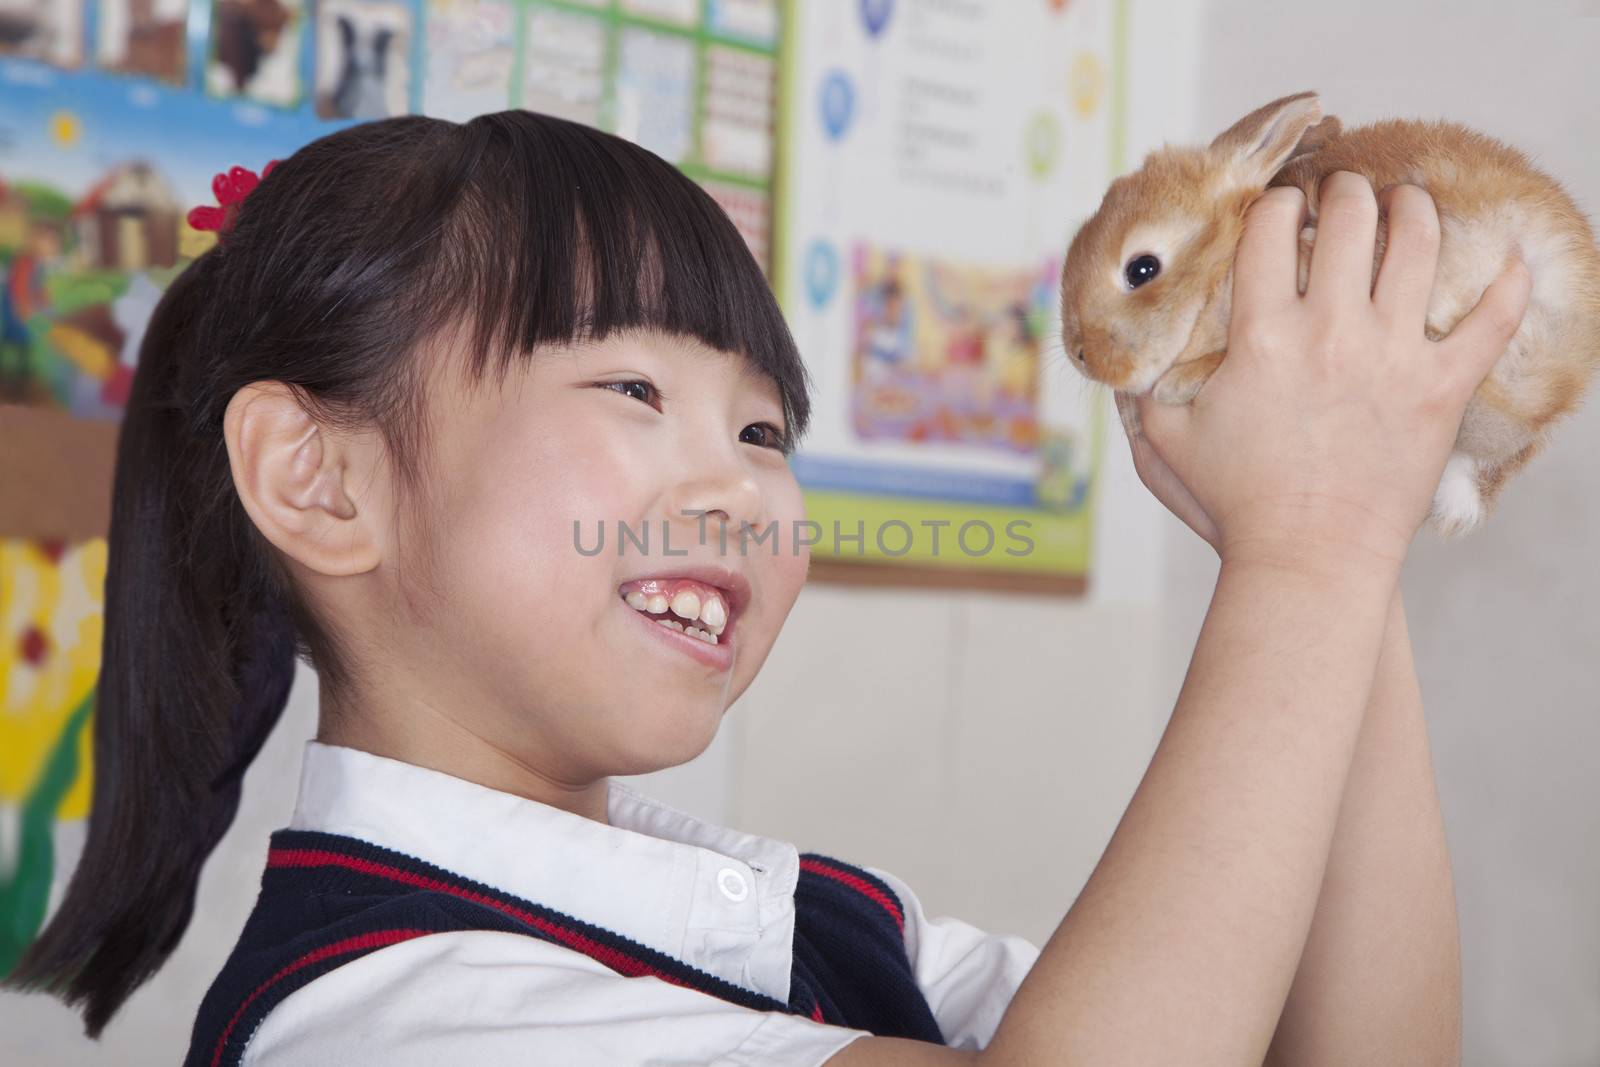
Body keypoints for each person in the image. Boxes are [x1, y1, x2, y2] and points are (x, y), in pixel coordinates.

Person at [0, 107, 1529, 1066]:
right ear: (322, 480)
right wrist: (1307, 543)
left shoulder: (824, 923)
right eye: (629, 389)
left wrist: (1357, 531)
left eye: (762, 428)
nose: (740, 484)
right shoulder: (380, 1017)